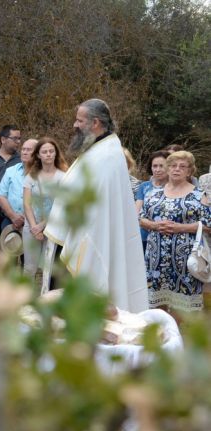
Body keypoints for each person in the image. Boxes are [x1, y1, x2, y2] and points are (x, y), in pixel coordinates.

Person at [44, 98, 148, 312]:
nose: (75, 125)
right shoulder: (98, 149)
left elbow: (98, 207)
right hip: (72, 233)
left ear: (96, 123)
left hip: (87, 237)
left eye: (79, 120)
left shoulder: (107, 155)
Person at [139, 151, 210, 314]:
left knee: (182, 307)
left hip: (185, 260)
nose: (176, 169)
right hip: (155, 259)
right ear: (168, 169)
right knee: (156, 303)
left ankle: (176, 334)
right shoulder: (153, 194)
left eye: (182, 166)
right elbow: (141, 218)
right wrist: (154, 226)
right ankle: (161, 335)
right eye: (172, 165)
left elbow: (209, 224)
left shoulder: (200, 196)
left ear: (189, 171)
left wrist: (181, 228)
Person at [22, 138, 68, 277]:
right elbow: (26, 203)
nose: (48, 154)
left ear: (56, 154)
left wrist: (42, 226)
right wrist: (34, 227)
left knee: (49, 269)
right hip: (31, 226)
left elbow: (61, 205)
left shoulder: (63, 177)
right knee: (29, 268)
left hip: (53, 227)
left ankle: (47, 297)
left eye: (51, 151)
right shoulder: (31, 176)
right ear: (38, 155)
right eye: (44, 152)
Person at [0, 125, 22, 246]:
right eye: (15, 139)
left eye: (19, 138)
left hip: (11, 215)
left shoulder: (21, 160)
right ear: (3, 139)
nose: (18, 142)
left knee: (9, 252)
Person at [0, 138, 38, 233]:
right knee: (9, 247)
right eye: (23, 149)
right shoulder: (11, 171)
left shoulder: (43, 174)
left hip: (35, 223)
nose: (24, 152)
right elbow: (1, 196)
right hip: (10, 221)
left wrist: (26, 216)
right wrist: (13, 216)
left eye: (29, 150)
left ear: (37, 153)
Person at [136, 150, 170, 250]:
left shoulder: (176, 188)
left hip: (167, 236)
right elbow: (136, 212)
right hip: (144, 236)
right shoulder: (144, 186)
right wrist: (149, 224)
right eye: (154, 166)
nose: (157, 169)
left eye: (161, 166)